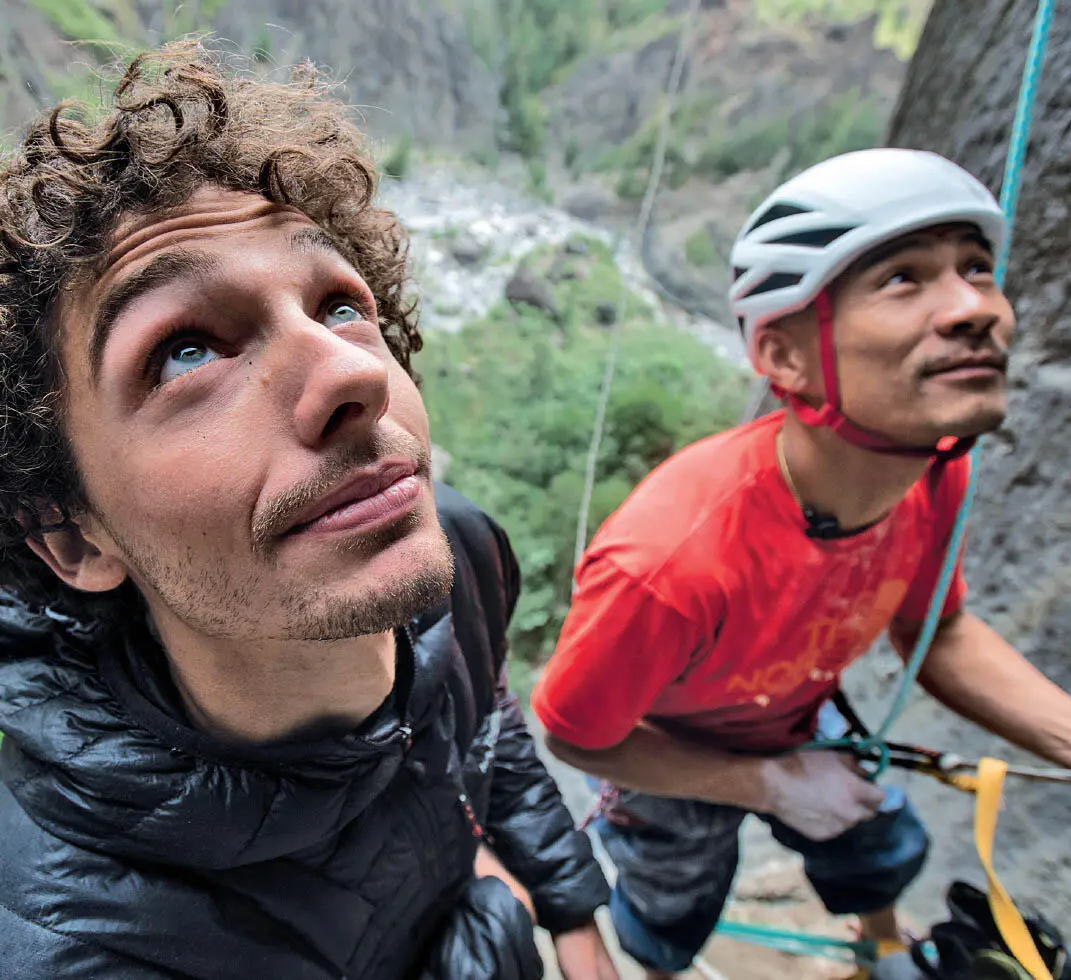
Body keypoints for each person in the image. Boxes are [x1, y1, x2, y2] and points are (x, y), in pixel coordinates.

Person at [0, 42, 619, 980]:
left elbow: (485, 712)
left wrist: (573, 917)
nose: (354, 373)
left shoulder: (453, 547)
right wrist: (500, 924)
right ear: (73, 537)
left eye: (337, 306)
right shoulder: (79, 945)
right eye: (187, 352)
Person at [531, 147, 1071, 980]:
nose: (974, 309)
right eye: (903, 279)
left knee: (874, 841)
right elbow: (575, 733)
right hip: (666, 745)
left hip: (797, 711)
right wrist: (768, 787)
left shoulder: (933, 470)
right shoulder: (669, 559)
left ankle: (879, 947)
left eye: (978, 268)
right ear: (784, 357)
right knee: (670, 907)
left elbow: (935, 632)